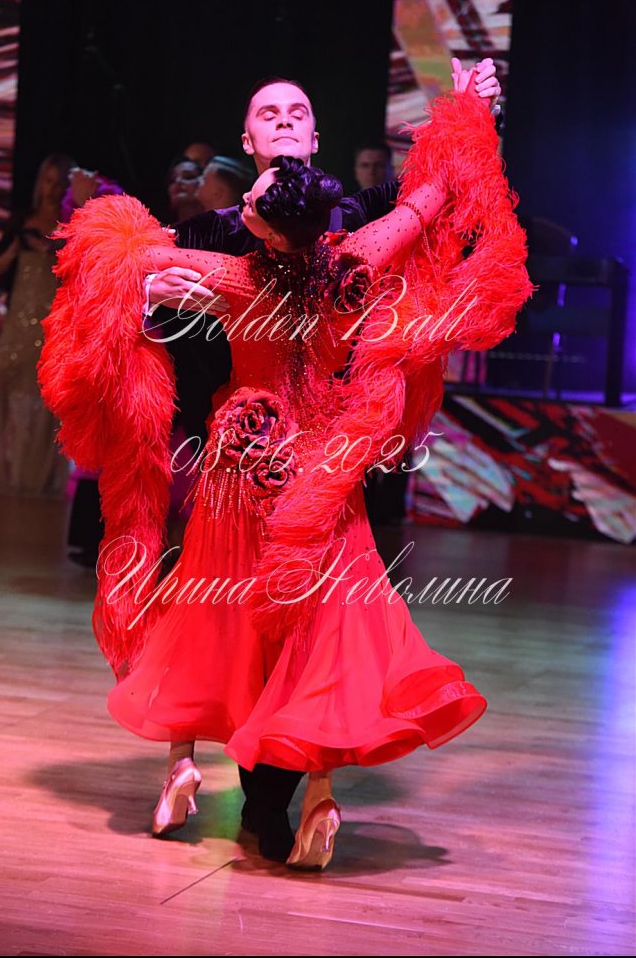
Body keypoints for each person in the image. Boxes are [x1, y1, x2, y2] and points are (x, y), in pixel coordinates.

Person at [38, 73, 532, 869]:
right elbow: (427, 200)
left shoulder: (241, 270)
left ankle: (192, 765)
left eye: (297, 111)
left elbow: (134, 267)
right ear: (250, 140)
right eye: (270, 112)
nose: (285, 120)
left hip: (243, 459)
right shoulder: (348, 251)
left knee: (213, 615)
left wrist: (139, 274)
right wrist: (472, 108)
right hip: (320, 463)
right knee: (322, 627)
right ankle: (319, 793)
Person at [0, 153, 75, 496]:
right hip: (20, 318)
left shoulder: (70, 225)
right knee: (9, 389)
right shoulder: (22, 221)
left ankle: (40, 476)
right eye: (48, 181)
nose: (52, 189)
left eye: (59, 183)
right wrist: (16, 249)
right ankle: (4, 472)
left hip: (54, 319)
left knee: (46, 395)